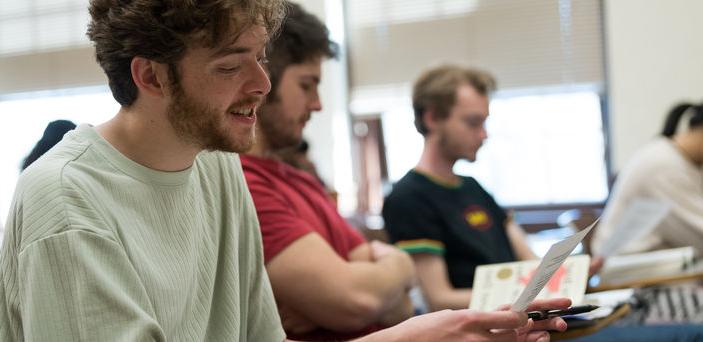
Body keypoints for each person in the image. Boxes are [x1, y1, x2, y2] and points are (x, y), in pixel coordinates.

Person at [0, 0, 568, 341]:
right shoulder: (68, 206)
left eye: (260, 58)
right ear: (150, 77)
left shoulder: (218, 166)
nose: (262, 85)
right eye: (230, 66)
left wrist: (434, 330)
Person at [242, 4, 568, 342]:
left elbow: (398, 306)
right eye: (307, 85)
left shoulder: (300, 181)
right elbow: (363, 299)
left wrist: (384, 278)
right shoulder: (408, 197)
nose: (318, 104)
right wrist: (384, 280)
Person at [382, 65, 545, 312]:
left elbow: (532, 263)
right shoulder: (408, 198)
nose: (483, 134)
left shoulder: (473, 187)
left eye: (484, 122)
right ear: (432, 118)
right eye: (472, 122)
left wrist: (568, 275)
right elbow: (439, 299)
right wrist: (522, 299)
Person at [592, 102, 703, 255]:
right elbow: (698, 234)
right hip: (629, 266)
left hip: (647, 261)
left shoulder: (674, 157)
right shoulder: (664, 165)